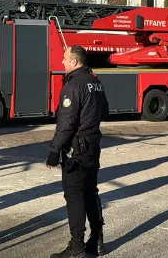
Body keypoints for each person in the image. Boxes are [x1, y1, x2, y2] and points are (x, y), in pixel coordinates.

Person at [46, 46, 109, 258]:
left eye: (64, 59)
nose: (62, 62)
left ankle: (77, 246)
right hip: (93, 146)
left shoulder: (73, 85)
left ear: (74, 62)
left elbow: (67, 122)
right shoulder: (96, 82)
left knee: (74, 196)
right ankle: (97, 241)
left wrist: (54, 150)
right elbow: (105, 111)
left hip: (77, 149)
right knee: (91, 193)